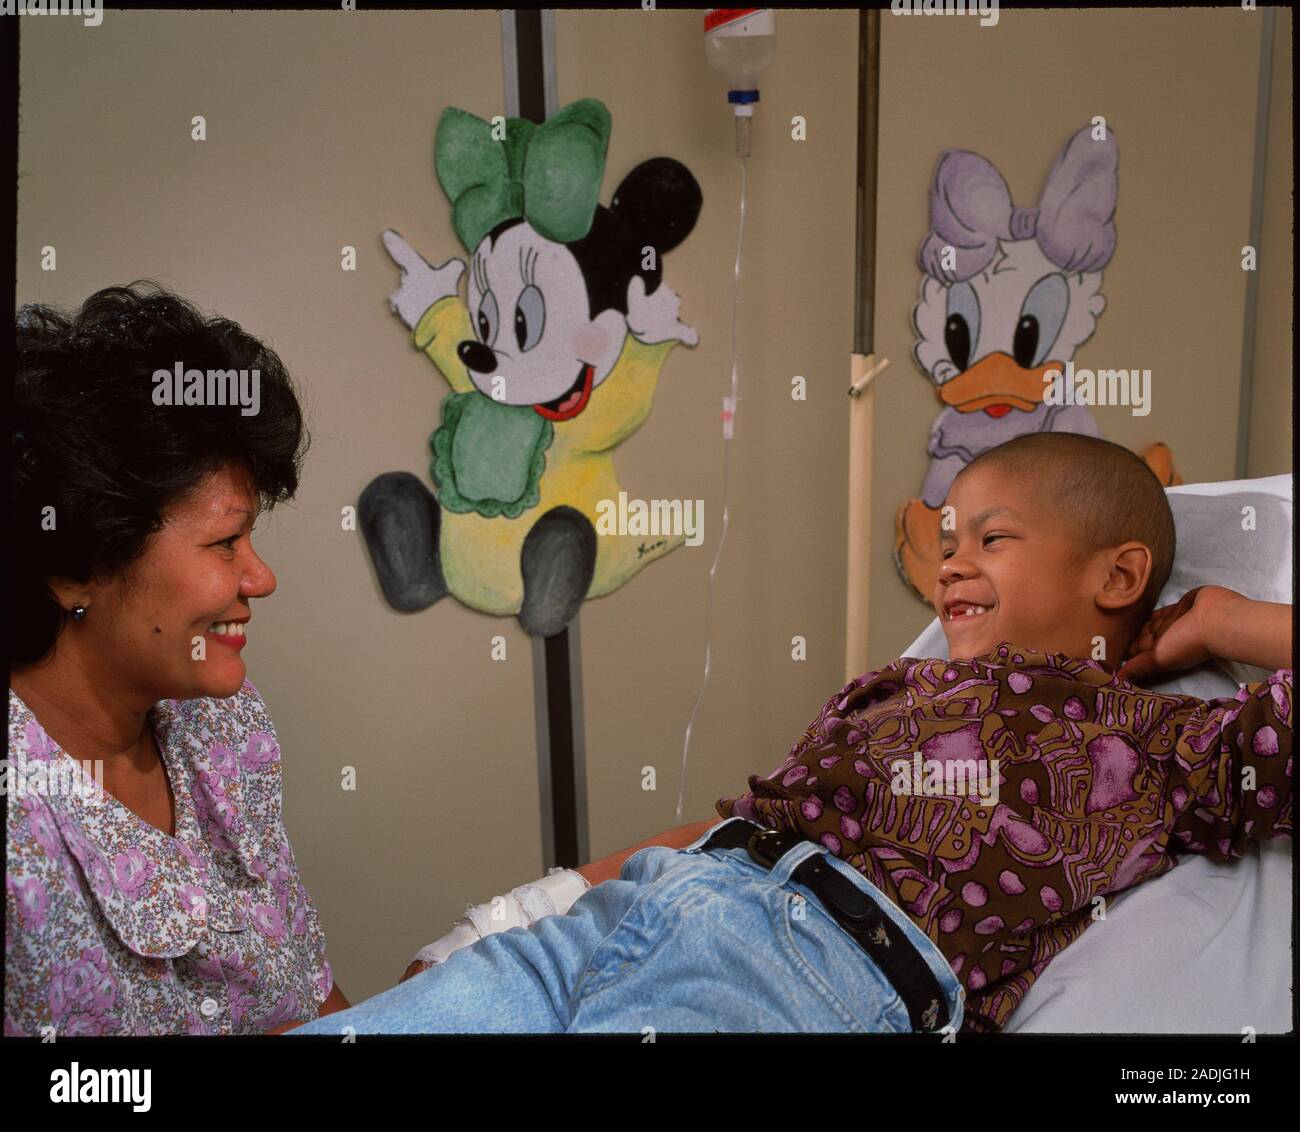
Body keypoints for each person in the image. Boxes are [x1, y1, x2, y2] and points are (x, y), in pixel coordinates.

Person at [287, 430, 1291, 1036]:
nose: (948, 567)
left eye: (990, 539)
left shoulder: (1150, 739)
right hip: (660, 903)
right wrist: (517, 910)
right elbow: (750, 820)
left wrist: (1225, 621)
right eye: (947, 542)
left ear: (1113, 578)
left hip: (803, 970)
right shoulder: (892, 690)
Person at [7, 282, 350, 1035]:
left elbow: (304, 1000)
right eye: (225, 542)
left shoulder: (223, 728)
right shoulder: (20, 829)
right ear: (75, 566)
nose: (261, 579)